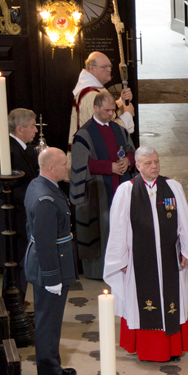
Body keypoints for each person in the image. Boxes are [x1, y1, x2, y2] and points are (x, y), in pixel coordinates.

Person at [103, 146, 188, 362]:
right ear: (137, 166)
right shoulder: (126, 191)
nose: (154, 166)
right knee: (142, 303)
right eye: (148, 163)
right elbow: (118, 229)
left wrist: (186, 250)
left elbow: (184, 223)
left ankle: (172, 348)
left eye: (156, 161)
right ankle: (148, 350)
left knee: (172, 300)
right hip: (139, 261)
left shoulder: (173, 187)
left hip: (169, 259)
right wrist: (121, 259)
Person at [23, 147, 78, 375]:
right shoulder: (45, 199)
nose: (68, 166)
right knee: (48, 322)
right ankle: (48, 374)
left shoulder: (39, 185)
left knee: (52, 320)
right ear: (51, 168)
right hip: (50, 268)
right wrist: (52, 277)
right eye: (64, 163)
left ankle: (53, 364)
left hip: (48, 263)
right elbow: (45, 243)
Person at [70, 91, 136, 280]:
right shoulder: (84, 134)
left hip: (121, 187)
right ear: (96, 108)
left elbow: (131, 151)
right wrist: (110, 167)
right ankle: (101, 272)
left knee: (124, 227)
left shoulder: (119, 129)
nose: (110, 114)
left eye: (113, 110)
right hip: (98, 191)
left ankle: (124, 268)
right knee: (104, 228)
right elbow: (80, 163)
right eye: (107, 110)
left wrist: (128, 162)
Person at [0, 108, 38, 297]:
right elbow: (3, 190)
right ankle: (14, 308)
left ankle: (19, 305)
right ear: (20, 129)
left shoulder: (22, 148)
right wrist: (34, 195)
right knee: (16, 265)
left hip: (21, 216)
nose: (35, 130)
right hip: (12, 219)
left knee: (21, 266)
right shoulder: (8, 150)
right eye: (32, 126)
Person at [68, 51, 134, 149]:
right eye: (104, 67)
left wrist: (121, 101)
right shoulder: (91, 94)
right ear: (92, 68)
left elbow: (104, 112)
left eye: (110, 67)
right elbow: (104, 127)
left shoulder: (94, 89)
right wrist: (127, 115)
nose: (109, 70)